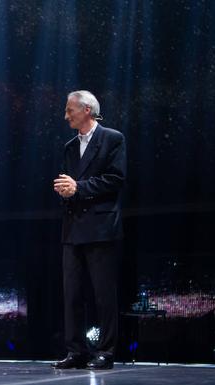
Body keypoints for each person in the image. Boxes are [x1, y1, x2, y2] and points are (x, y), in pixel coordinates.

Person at [52, 90, 126, 370]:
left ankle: (105, 352)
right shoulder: (70, 146)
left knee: (103, 294)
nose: (66, 115)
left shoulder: (113, 139)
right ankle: (76, 351)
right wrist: (64, 189)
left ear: (86, 110)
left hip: (101, 227)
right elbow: (67, 181)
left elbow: (116, 179)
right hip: (72, 229)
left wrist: (78, 188)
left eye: (70, 109)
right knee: (71, 293)